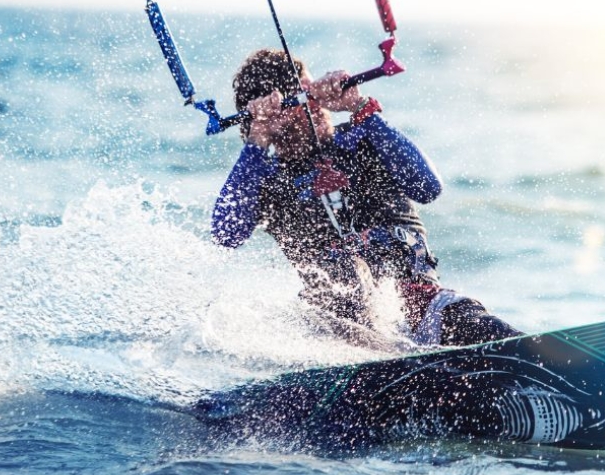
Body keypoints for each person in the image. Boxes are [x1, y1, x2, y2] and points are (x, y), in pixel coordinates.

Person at [212, 49, 521, 347]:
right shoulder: (266, 181)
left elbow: (427, 188)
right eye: (301, 99)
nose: (315, 104)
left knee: (473, 321)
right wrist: (257, 140)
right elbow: (225, 234)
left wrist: (358, 106)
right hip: (344, 336)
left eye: (312, 91)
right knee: (337, 285)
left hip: (421, 309)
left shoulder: (363, 137)